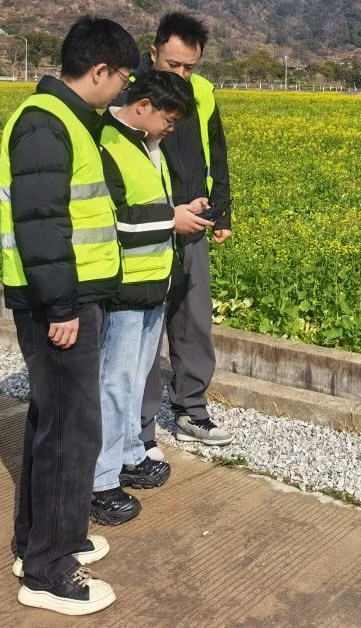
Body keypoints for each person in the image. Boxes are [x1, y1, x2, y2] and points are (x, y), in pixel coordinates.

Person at [0, 16, 138, 616]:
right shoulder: (45, 124)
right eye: (124, 76)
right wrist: (60, 306)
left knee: (54, 423)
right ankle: (50, 571)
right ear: (99, 69)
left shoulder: (69, 120)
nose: (125, 88)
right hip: (60, 305)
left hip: (72, 299)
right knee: (69, 432)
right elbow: (41, 224)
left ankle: (43, 540)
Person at [90, 70, 208, 526]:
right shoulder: (106, 143)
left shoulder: (144, 143)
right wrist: (171, 219)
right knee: (114, 384)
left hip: (152, 284)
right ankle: (100, 482)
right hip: (122, 288)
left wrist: (182, 212)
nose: (170, 129)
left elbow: (151, 206)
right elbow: (113, 218)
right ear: (143, 107)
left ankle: (129, 455)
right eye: (169, 120)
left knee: (136, 379)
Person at [134, 11, 235, 449]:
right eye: (172, 64)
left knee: (193, 319)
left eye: (189, 67)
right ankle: (138, 427)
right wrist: (163, 212)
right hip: (146, 225)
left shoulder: (203, 95)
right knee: (142, 328)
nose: (180, 74)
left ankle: (191, 410)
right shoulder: (132, 92)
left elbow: (217, 152)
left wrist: (222, 213)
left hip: (193, 220)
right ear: (153, 52)